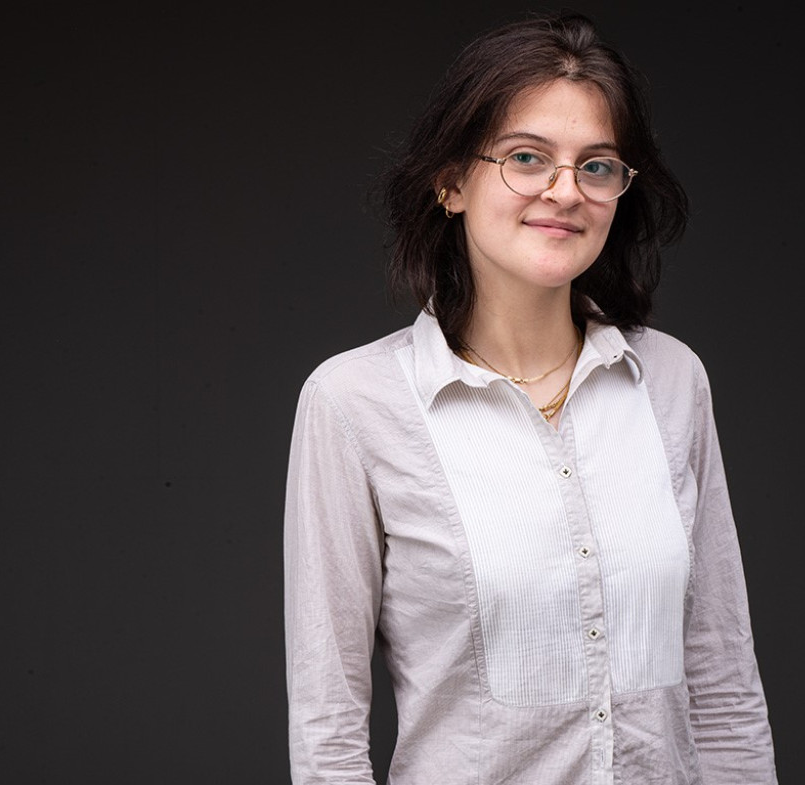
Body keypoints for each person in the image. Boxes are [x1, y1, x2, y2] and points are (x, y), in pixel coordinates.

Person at [284, 10, 777, 784]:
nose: (563, 191)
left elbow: (722, 683)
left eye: (597, 165)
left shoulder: (673, 380)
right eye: (526, 157)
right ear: (451, 181)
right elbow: (328, 735)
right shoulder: (354, 403)